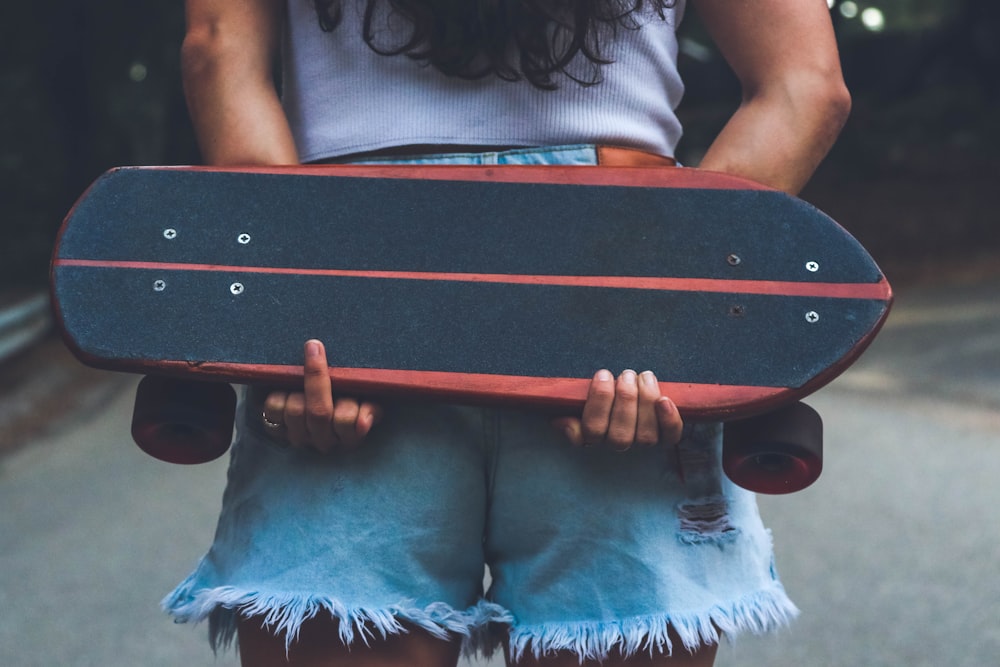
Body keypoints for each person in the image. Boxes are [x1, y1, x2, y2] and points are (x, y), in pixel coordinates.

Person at [166, 1, 850, 666]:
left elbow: (218, 50)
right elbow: (803, 85)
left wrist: (291, 311)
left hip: (348, 283)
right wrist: (666, 304)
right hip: (618, 274)